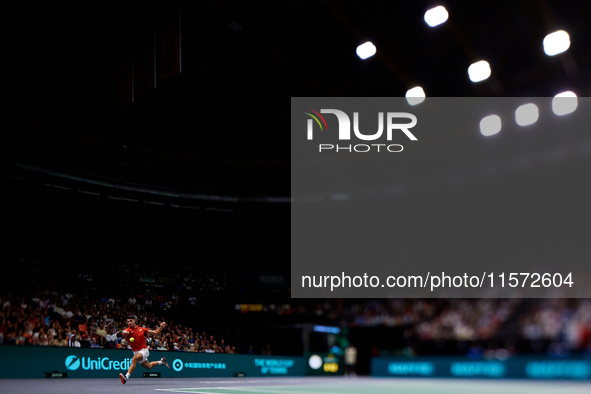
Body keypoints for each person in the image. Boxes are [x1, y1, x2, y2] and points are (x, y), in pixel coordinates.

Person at [119, 317, 169, 384]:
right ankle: (161, 362)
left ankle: (126, 377)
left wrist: (161, 327)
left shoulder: (141, 329)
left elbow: (155, 332)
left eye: (131, 321)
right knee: (148, 366)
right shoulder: (127, 330)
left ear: (134, 321)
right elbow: (125, 333)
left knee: (134, 359)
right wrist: (125, 333)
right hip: (136, 352)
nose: (129, 322)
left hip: (143, 350)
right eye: (128, 321)